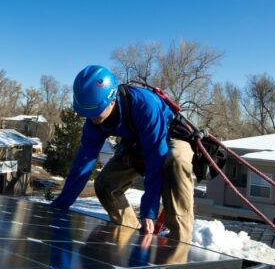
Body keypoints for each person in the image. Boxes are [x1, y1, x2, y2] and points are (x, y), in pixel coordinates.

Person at [51, 65, 195, 243]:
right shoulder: (95, 120)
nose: (91, 118)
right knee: (105, 184)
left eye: (94, 112)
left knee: (176, 161)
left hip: (168, 138)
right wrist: (61, 204)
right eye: (86, 113)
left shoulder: (144, 105)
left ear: (112, 100)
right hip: (137, 142)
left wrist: (149, 210)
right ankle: (131, 236)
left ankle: (178, 245)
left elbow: (155, 157)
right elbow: (84, 162)